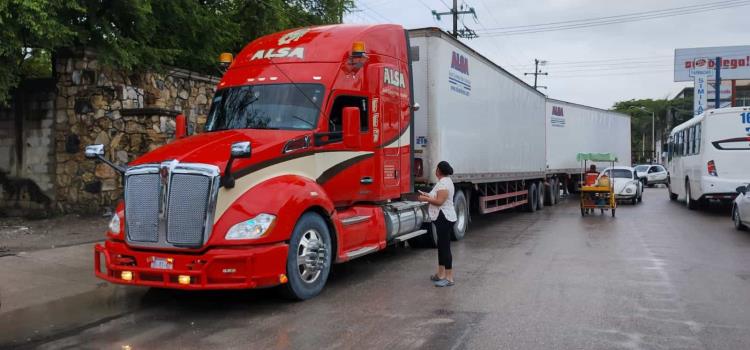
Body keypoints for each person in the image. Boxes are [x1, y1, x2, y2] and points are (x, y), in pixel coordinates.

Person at [418, 161, 457, 287]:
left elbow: (439, 201)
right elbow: (436, 196)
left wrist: (425, 199)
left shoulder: (444, 183)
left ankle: (449, 278)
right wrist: (428, 195)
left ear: (439, 170)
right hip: (442, 217)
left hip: (444, 217)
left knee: (445, 247)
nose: (435, 170)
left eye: (436, 168)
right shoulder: (443, 182)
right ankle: (441, 274)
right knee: (441, 245)